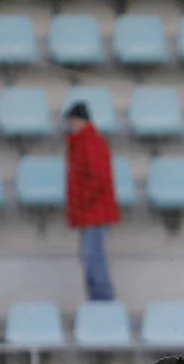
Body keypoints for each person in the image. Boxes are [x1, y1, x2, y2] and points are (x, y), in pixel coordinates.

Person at [65, 101, 119, 302]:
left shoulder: (88, 142)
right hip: (92, 212)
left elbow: (97, 177)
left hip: (94, 212)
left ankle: (104, 302)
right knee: (91, 259)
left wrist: (82, 203)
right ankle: (99, 303)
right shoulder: (84, 142)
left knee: (93, 260)